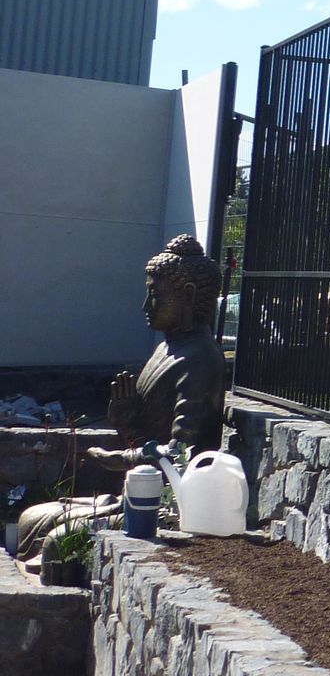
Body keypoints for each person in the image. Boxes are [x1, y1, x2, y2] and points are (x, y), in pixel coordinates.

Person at [15, 236, 227, 563]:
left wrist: (121, 457)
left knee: (57, 540)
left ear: (188, 294)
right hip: (134, 490)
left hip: (166, 506)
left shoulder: (200, 360)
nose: (146, 305)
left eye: (155, 296)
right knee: (31, 517)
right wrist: (127, 422)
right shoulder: (167, 350)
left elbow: (181, 457)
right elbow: (147, 441)